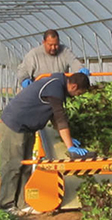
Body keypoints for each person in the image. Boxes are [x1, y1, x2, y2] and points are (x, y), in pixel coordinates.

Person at [0, 72, 92, 214]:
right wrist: (70, 147)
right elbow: (60, 119)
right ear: (73, 86)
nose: (77, 96)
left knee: (26, 166)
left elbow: (54, 117)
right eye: (79, 93)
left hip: (27, 127)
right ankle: (7, 204)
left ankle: (23, 203)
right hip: (14, 125)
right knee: (13, 165)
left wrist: (68, 139)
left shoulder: (58, 84)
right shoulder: (54, 88)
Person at [14, 29, 87, 159]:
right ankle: (42, 153)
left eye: (56, 44)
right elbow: (22, 70)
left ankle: (63, 141)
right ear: (44, 43)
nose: (54, 48)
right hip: (40, 99)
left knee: (59, 117)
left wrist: (81, 70)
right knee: (42, 131)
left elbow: (74, 62)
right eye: (50, 45)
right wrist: (25, 80)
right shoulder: (34, 55)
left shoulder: (64, 52)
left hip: (57, 96)